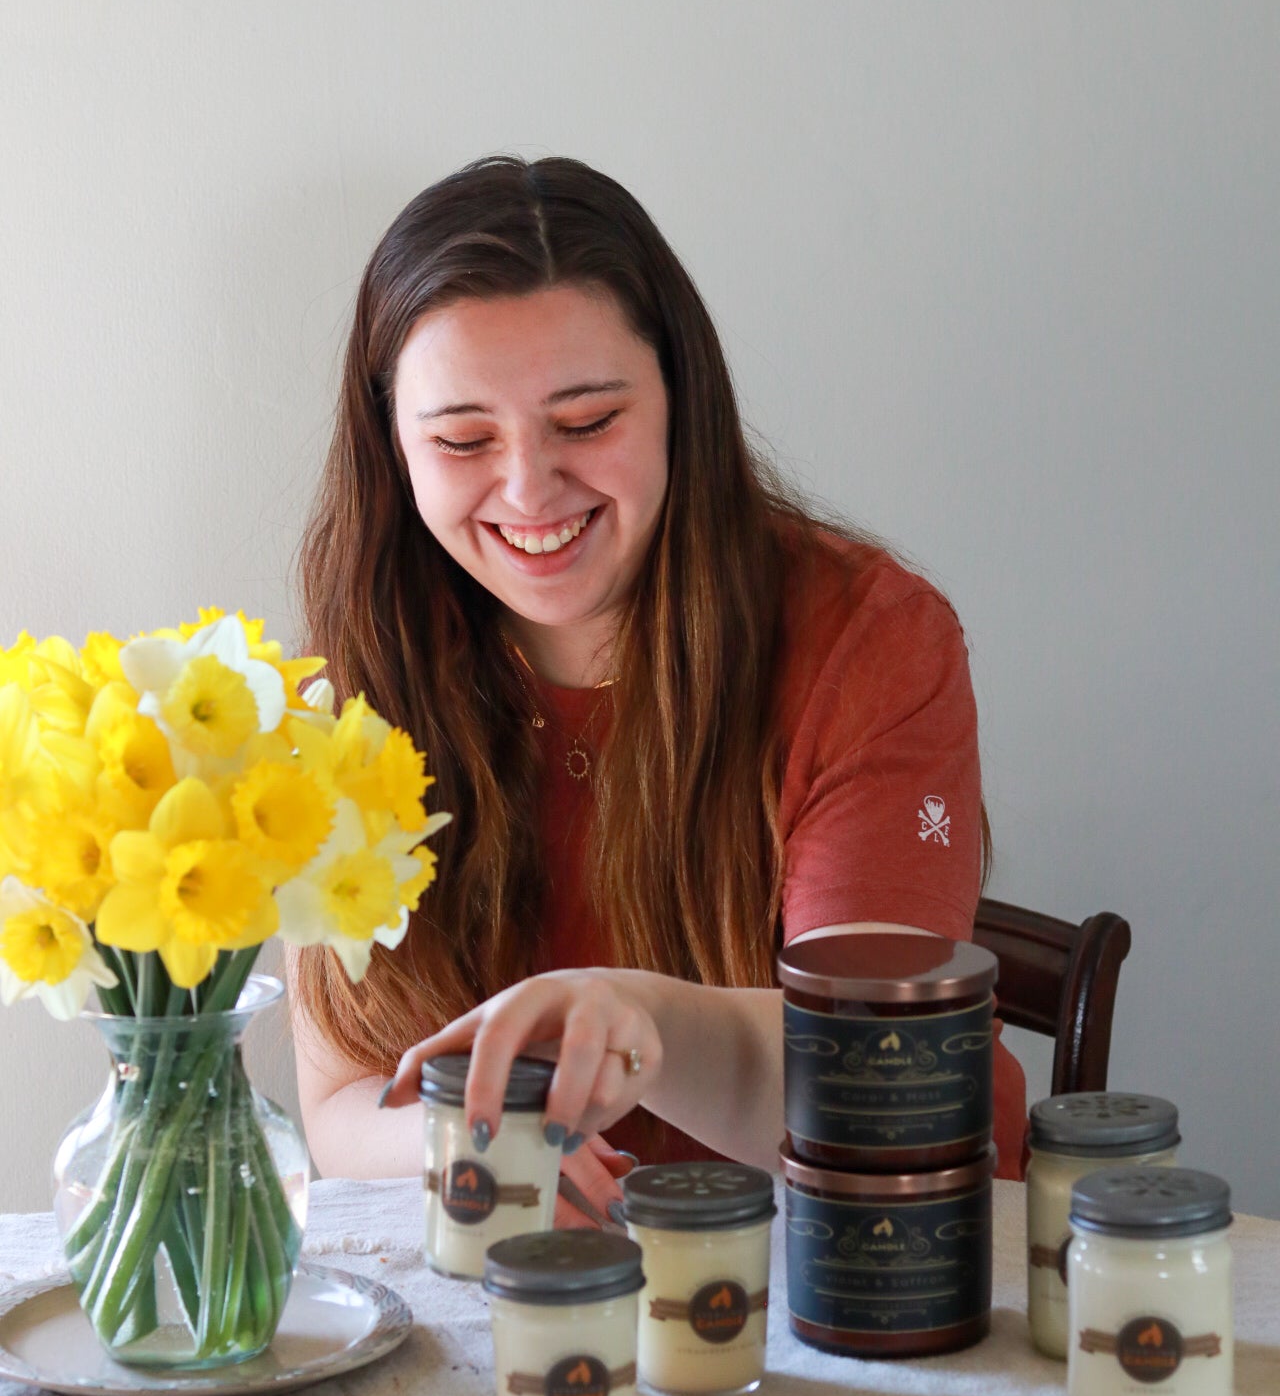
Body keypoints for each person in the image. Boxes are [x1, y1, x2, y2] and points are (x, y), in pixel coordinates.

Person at [289, 156, 1026, 1227]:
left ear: (683, 400)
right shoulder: (345, 691)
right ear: (392, 447)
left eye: (587, 422)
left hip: (866, 1256)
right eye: (461, 440)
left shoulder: (867, 643)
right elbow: (342, 1103)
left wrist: (644, 1025)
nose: (529, 489)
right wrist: (475, 1144)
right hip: (547, 1279)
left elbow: (883, 1081)